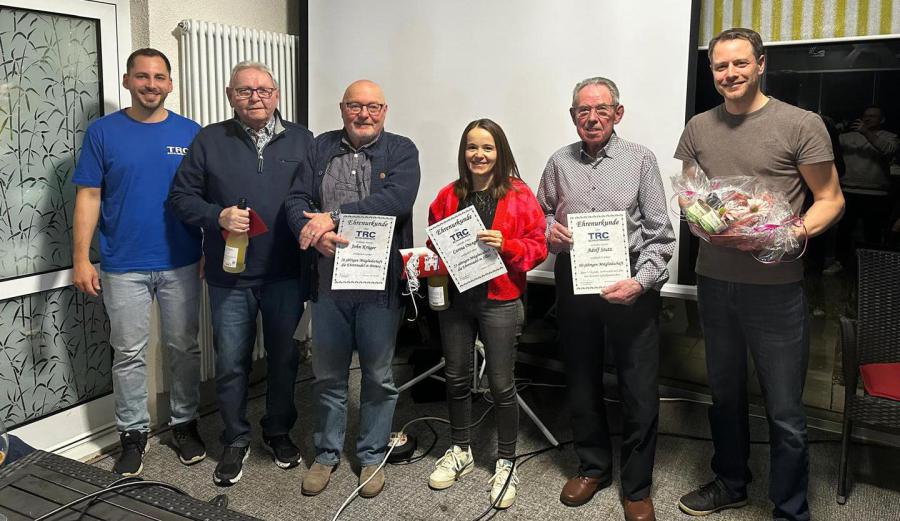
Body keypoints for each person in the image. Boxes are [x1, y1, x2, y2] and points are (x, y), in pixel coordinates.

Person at [674, 28, 844, 521]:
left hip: (776, 289)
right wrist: (709, 218)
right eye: (720, 66)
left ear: (761, 64)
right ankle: (731, 483)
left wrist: (789, 232)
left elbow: (830, 199)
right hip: (714, 282)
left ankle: (790, 509)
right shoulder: (698, 128)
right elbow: (690, 197)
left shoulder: (800, 124)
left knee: (785, 409)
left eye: (740, 63)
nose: (730, 74)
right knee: (724, 395)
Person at [167, 61, 313, 486]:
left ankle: (278, 430)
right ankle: (235, 437)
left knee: (285, 358)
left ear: (277, 95)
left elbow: (317, 197)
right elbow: (180, 198)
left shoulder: (302, 140)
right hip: (230, 275)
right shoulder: (209, 139)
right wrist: (218, 215)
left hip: (286, 273)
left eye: (264, 90)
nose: (255, 97)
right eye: (245, 90)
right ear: (230, 95)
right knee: (231, 362)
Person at [536, 77, 675, 521]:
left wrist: (641, 281)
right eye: (583, 110)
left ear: (618, 113)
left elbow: (660, 233)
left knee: (638, 387)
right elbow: (540, 213)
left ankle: (637, 486)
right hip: (575, 277)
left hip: (630, 279)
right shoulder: (558, 161)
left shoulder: (641, 159)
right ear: (573, 115)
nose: (592, 118)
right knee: (581, 378)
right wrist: (549, 231)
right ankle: (593, 467)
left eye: (601, 109)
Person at [72, 48, 204, 477]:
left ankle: (185, 423)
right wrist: (81, 258)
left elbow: (204, 198)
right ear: (127, 81)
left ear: (170, 84)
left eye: (159, 77)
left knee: (184, 347)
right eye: (143, 76)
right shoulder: (103, 132)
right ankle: (132, 433)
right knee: (128, 353)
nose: (151, 84)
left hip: (181, 260)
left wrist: (209, 250)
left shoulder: (191, 133)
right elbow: (89, 195)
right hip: (122, 264)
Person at [285, 79, 420, 499]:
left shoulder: (402, 150)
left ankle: (372, 454)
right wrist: (314, 234)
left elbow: (397, 200)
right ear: (342, 108)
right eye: (355, 106)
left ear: (385, 111)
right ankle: (327, 454)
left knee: (379, 376)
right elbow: (295, 201)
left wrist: (332, 217)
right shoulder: (319, 147)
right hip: (327, 285)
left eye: (373, 107)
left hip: (379, 287)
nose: (364, 114)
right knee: (328, 375)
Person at [426, 119, 547, 508]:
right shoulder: (448, 195)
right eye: (472, 147)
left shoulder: (519, 194)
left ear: (500, 152)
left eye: (487, 147)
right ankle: (460, 449)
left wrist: (507, 244)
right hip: (457, 301)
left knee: (501, 384)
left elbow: (539, 246)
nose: (479, 154)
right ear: (463, 152)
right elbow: (434, 243)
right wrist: (422, 262)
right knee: (456, 378)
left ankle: (506, 461)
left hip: (501, 300)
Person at [827, 105, 899, 274]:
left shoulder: (890, 137)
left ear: (882, 120)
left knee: (873, 232)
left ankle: (872, 266)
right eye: (865, 115)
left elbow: (889, 150)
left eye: (873, 116)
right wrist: (835, 131)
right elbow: (829, 146)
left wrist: (865, 132)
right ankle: (840, 262)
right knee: (844, 230)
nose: (867, 118)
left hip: (876, 193)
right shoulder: (848, 136)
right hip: (848, 191)